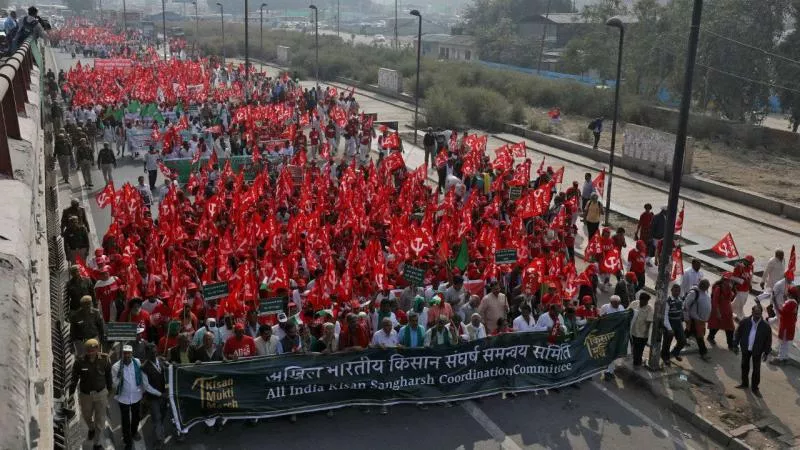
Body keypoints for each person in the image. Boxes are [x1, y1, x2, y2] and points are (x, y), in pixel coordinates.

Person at [112, 345, 163, 450]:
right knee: (125, 421)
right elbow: (114, 385)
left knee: (136, 417)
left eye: (129, 353)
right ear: (122, 354)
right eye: (125, 353)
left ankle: (134, 432)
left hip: (136, 396)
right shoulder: (116, 367)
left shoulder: (137, 362)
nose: (127, 355)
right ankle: (127, 442)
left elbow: (143, 377)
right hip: (123, 398)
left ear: (132, 354)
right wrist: (119, 377)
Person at [69, 339, 112, 450]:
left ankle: (96, 443)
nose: (91, 352)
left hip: (100, 394)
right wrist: (70, 394)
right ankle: (91, 428)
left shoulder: (104, 359)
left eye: (93, 350)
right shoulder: (80, 362)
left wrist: (110, 390)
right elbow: (74, 379)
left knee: (100, 420)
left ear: (97, 349)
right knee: (86, 416)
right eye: (88, 350)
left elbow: (108, 376)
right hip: (86, 395)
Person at [733, 304, 772, 397]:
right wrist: (735, 345)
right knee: (744, 366)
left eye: (759, 314)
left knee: (756, 369)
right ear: (752, 312)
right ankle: (744, 383)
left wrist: (766, 352)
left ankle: (755, 388)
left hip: (757, 350)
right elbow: (737, 333)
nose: (757, 316)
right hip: (746, 348)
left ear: (761, 313)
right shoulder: (745, 321)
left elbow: (768, 340)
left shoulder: (765, 326)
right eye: (756, 313)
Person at [141, 344, 168, 450]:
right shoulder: (144, 368)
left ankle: (159, 430)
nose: (154, 354)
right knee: (157, 418)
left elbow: (168, 371)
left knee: (162, 415)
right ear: (147, 354)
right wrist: (160, 394)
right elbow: (147, 387)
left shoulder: (161, 361)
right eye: (151, 353)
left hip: (164, 396)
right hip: (153, 398)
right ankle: (160, 439)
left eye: (155, 351)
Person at [684, 279, 712, 361]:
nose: (705, 287)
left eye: (707, 286)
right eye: (703, 285)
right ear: (700, 284)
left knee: (688, 332)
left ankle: (679, 344)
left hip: (701, 320)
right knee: (699, 337)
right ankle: (703, 353)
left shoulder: (705, 292)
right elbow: (686, 306)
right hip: (695, 319)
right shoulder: (694, 293)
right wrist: (687, 319)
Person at [707, 273, 736, 351]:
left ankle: (730, 345)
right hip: (719, 310)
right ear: (723, 280)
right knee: (715, 326)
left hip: (727, 311)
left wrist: (732, 289)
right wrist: (718, 313)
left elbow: (731, 299)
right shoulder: (718, 288)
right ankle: (710, 337)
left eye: (730, 280)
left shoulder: (730, 288)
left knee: (730, 328)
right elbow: (715, 302)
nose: (728, 282)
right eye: (727, 280)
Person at [599, 295, 626, 379]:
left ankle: (611, 370)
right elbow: (600, 318)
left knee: (614, 352)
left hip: (617, 334)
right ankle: (607, 371)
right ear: (611, 302)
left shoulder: (621, 307)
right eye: (615, 303)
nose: (617, 305)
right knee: (609, 352)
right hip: (608, 333)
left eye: (618, 303)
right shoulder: (605, 307)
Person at [771, 287, 797, 365]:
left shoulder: (791, 303)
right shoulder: (793, 302)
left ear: (789, 294)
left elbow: (782, 312)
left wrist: (775, 302)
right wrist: (785, 299)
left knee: (783, 342)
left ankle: (780, 358)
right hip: (789, 324)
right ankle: (785, 357)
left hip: (786, 325)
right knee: (785, 342)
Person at [661, 284, 687, 365]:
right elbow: (665, 316)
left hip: (678, 323)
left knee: (682, 341)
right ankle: (665, 357)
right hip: (670, 323)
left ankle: (675, 353)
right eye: (675, 290)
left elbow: (682, 309)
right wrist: (669, 328)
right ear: (671, 290)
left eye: (678, 291)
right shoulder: (668, 301)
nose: (677, 292)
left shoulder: (680, 299)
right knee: (667, 343)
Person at [629, 293, 653, 367]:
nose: (646, 303)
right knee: (635, 348)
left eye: (647, 301)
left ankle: (637, 361)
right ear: (640, 299)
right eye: (644, 301)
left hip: (642, 334)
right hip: (632, 331)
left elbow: (649, 322)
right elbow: (627, 312)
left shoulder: (649, 308)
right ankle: (636, 360)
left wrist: (647, 337)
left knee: (639, 350)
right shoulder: (634, 304)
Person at [731, 255, 754, 320]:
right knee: (740, 302)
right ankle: (740, 316)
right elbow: (733, 277)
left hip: (746, 288)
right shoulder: (739, 267)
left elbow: (751, 276)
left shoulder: (751, 267)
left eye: (750, 262)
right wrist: (742, 280)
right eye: (747, 261)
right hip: (740, 288)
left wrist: (750, 284)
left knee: (742, 302)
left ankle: (728, 309)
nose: (748, 263)